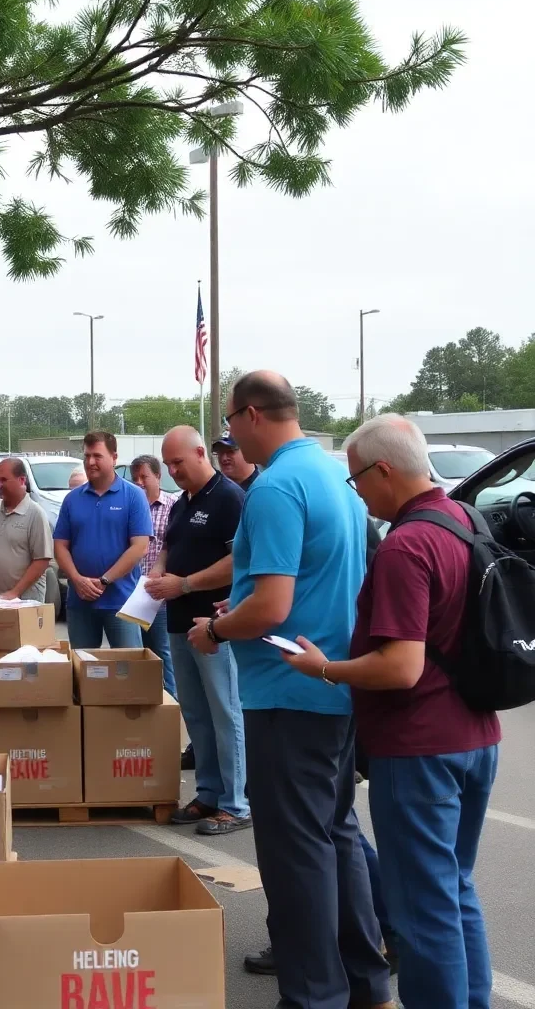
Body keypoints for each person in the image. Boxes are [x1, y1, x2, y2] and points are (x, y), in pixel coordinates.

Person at [188, 372, 391, 1009]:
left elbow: (272, 606)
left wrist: (218, 627)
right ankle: (364, 981)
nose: (230, 439)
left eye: (230, 425)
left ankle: (313, 995)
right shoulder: (335, 475)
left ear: (251, 416)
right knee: (336, 834)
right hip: (333, 680)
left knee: (294, 851)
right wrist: (244, 601)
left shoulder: (275, 486)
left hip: (286, 690)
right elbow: (312, 579)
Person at [283, 414, 500, 1009]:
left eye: (357, 481)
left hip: (421, 746)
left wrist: (324, 669)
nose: (358, 494)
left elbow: (401, 667)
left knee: (420, 908)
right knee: (454, 890)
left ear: (384, 470)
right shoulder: (464, 519)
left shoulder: (407, 544)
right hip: (476, 734)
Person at [146, 428, 250, 835]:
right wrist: (159, 570)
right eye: (168, 465)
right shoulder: (181, 504)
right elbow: (172, 547)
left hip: (214, 622)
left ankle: (236, 803)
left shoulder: (229, 498)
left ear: (199, 453)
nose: (173, 472)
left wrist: (185, 584)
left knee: (225, 710)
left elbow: (238, 560)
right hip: (178, 620)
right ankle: (208, 793)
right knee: (197, 713)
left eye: (178, 463)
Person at [53, 432, 153, 649]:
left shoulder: (133, 496)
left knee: (128, 668)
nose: (90, 462)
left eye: (97, 456)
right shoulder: (72, 499)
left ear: (114, 457)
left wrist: (105, 580)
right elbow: (60, 546)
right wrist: (77, 579)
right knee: (82, 669)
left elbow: (140, 547)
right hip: (80, 602)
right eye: (87, 456)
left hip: (121, 601)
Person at [0, 458, 53, 602]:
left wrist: (14, 593)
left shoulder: (35, 514)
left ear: (21, 480)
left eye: (4, 480)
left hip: (23, 603)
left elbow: (42, 561)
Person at [128, 455, 177, 699]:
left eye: (144, 477)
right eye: (134, 477)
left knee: (162, 651)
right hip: (129, 593)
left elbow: (175, 548)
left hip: (158, 594)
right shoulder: (129, 506)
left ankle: (171, 703)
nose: (139, 482)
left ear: (158, 476)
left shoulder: (172, 506)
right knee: (136, 653)